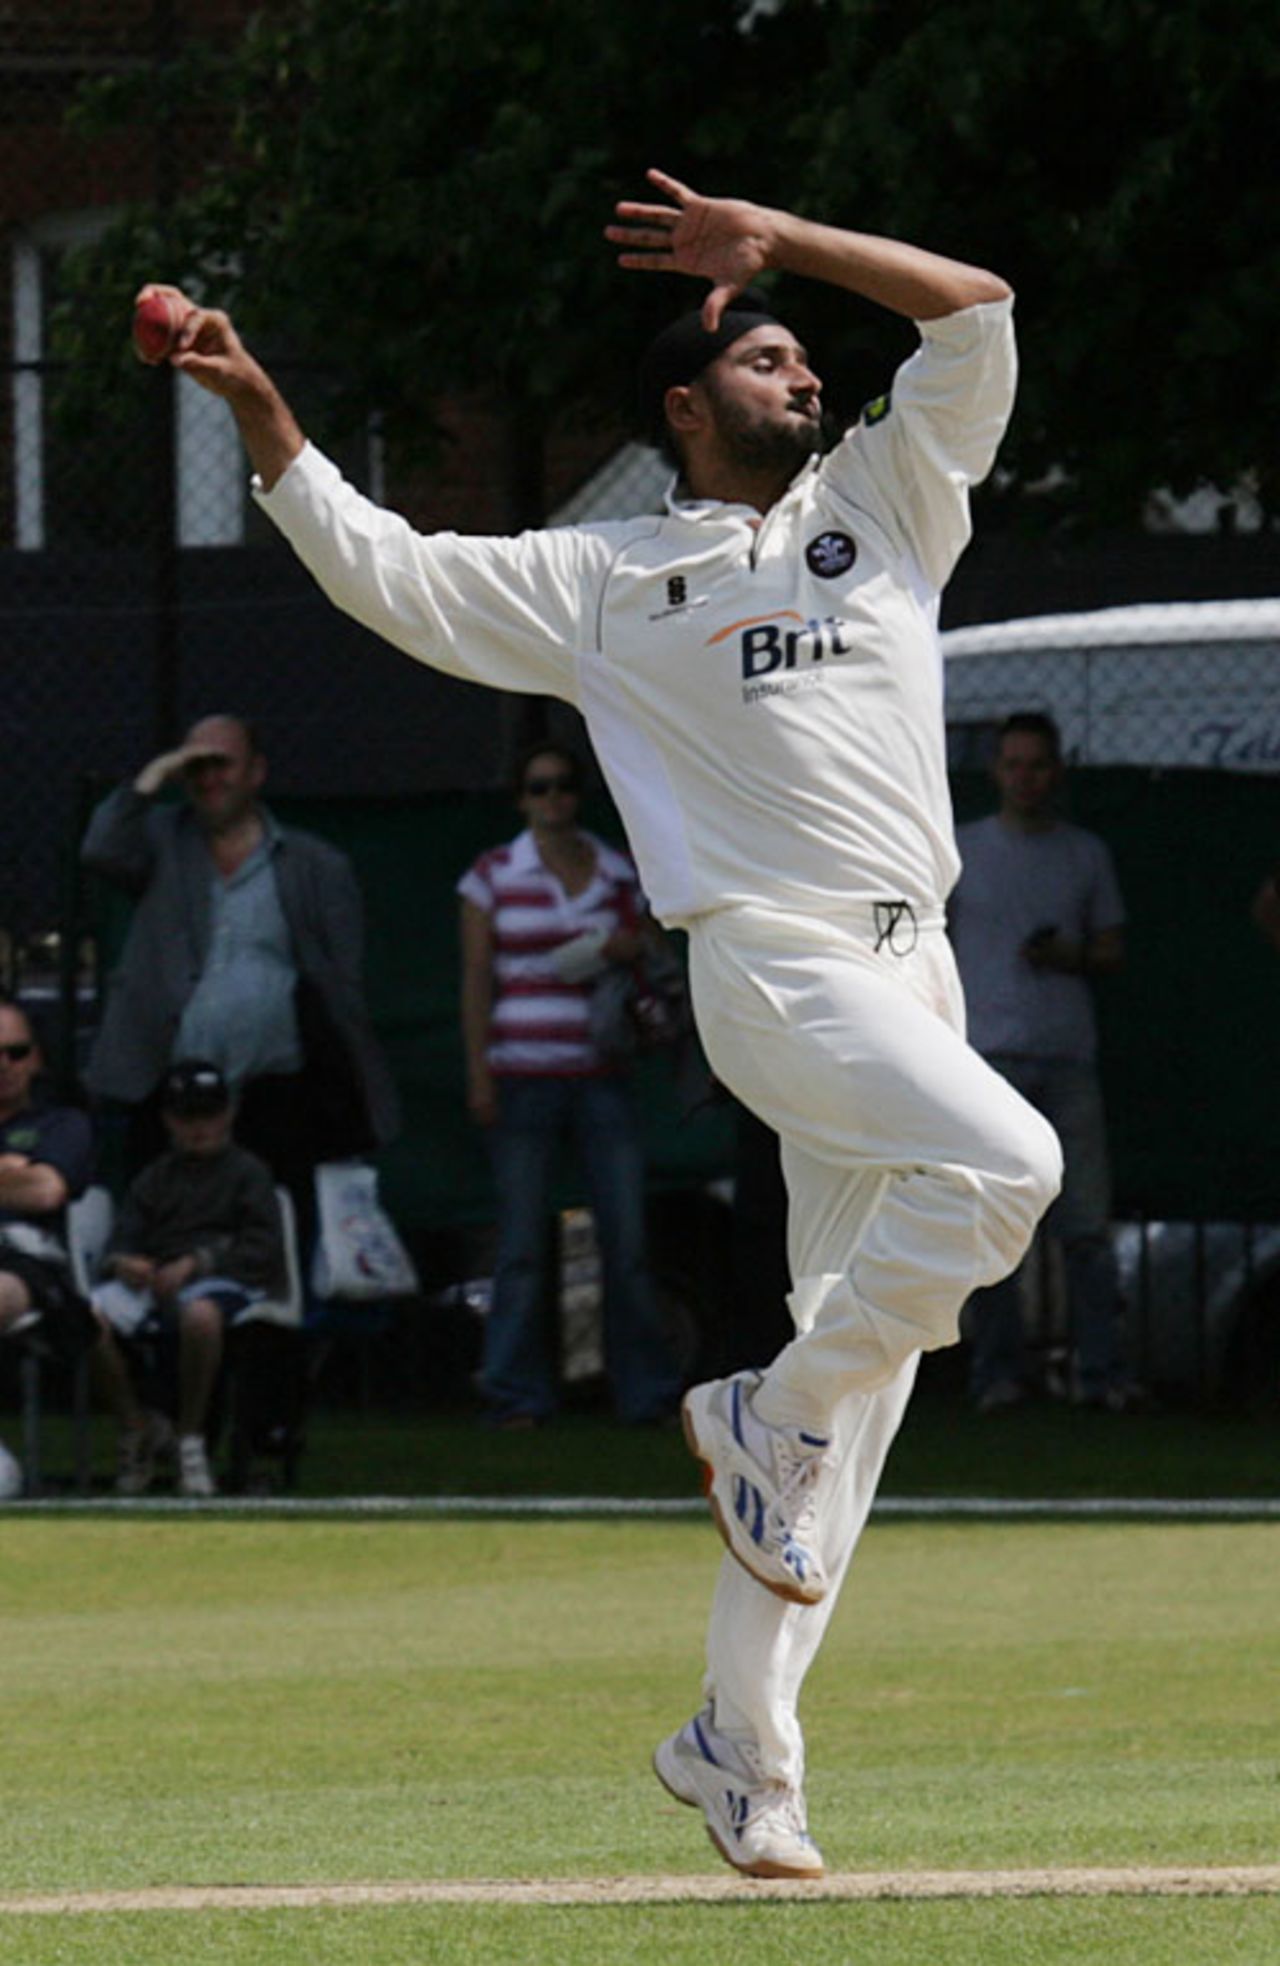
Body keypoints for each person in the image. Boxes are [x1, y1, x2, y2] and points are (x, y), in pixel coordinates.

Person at [150, 167, 1061, 1879]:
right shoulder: (605, 580)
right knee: (1012, 1165)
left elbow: (978, 306)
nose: (801, 376)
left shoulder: (893, 495)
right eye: (768, 360)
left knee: (843, 1427)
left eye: (805, 359)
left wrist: (781, 245)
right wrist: (265, 413)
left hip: (914, 964)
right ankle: (768, 1409)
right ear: (680, 407)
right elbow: (389, 570)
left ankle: (741, 1751)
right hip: (781, 965)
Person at [80, 712, 398, 1225]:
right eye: (196, 767)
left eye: (222, 765)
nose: (209, 779)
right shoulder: (162, 839)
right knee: (164, 1230)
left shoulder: (312, 863)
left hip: (274, 1089)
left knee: (276, 1228)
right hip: (169, 1087)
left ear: (256, 772)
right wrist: (152, 779)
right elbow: (99, 850)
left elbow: (343, 980)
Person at [458, 740, 682, 1427]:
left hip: (602, 1076)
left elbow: (657, 949)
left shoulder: (618, 872)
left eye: (563, 787)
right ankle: (513, 1392)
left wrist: (628, 947)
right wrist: (479, 1074)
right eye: (539, 787)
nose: (553, 799)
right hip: (522, 1076)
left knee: (626, 1242)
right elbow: (475, 980)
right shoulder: (491, 876)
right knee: (522, 1246)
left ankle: (646, 1392)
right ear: (521, 798)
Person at [949, 712, 1131, 1410]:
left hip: (1066, 1058)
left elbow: (1112, 951)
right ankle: (996, 1378)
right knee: (994, 1228)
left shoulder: (1085, 855)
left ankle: (1101, 1378)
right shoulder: (961, 852)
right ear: (996, 772)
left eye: (1038, 765)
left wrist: (1068, 957)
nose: (1026, 778)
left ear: (1057, 772)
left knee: (1085, 1226)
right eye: (1014, 765)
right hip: (986, 1063)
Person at [91, 1058, 289, 1498]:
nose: (199, 1127)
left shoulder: (248, 1174)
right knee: (89, 1315)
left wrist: (199, 1262)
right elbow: (117, 1244)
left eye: (209, 1115)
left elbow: (262, 1249)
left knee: (200, 1314)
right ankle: (135, 1427)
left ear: (228, 1114)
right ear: (169, 1121)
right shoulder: (154, 1178)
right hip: (155, 1282)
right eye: (187, 1116)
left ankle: (189, 1437)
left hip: (225, 1282)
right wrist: (127, 1264)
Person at [0, 997, 98, 1487]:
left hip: (29, 1265)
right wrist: (10, 1173)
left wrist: (29, 1177)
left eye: (15, 1052)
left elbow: (45, 1191)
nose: (3, 1065)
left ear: (36, 1058)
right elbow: (26, 1183)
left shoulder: (63, 1126)